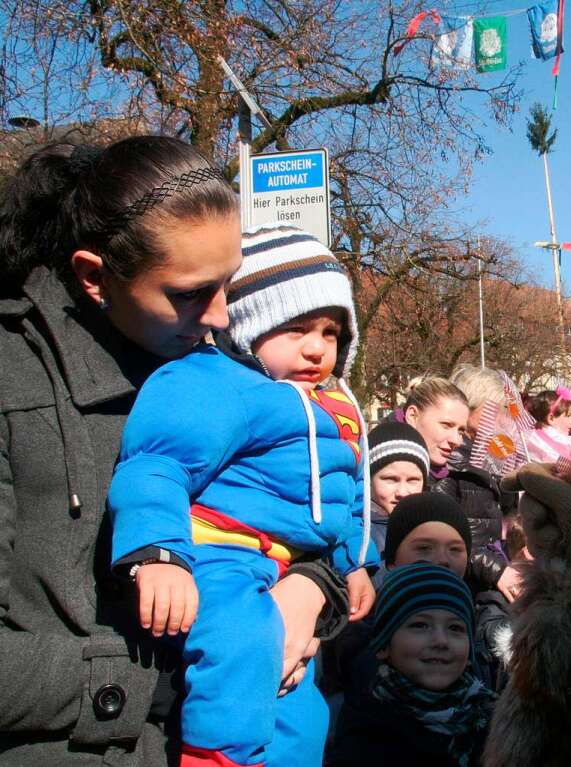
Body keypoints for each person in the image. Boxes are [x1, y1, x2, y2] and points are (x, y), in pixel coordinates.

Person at [0, 138, 341, 766]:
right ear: (94, 275)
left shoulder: (235, 372)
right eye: (188, 294)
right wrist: (155, 683)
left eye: (228, 284)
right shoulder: (14, 376)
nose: (219, 317)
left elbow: (298, 505)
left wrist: (314, 590)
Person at [108, 223, 379, 767]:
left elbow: (348, 492)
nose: (316, 347)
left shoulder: (338, 407)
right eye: (296, 327)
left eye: (331, 332)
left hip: (293, 563)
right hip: (219, 550)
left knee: (301, 705)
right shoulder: (214, 382)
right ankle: (214, 757)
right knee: (240, 642)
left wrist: (355, 561)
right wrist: (158, 553)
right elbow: (157, 464)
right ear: (250, 323)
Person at [329, 563, 496, 767]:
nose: (440, 641)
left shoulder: (498, 719)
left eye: (455, 628)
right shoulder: (366, 728)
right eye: (420, 625)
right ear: (384, 644)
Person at [443, 364, 521, 601]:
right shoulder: (451, 461)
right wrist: (497, 571)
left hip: (487, 580)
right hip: (464, 588)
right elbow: (449, 540)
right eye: (493, 410)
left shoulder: (490, 454)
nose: (500, 419)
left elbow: (502, 517)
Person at [366, 421, 431, 568]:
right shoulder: (358, 535)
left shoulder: (431, 527)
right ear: (368, 479)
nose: (402, 492)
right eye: (390, 479)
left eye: (413, 480)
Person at [396, 377, 470, 484]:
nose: (456, 441)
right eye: (446, 425)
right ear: (413, 416)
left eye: (461, 431)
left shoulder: (451, 481)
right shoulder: (373, 470)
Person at [523, 388, 571, 478]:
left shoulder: (530, 438)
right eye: (567, 416)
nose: (570, 422)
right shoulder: (542, 444)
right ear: (551, 418)